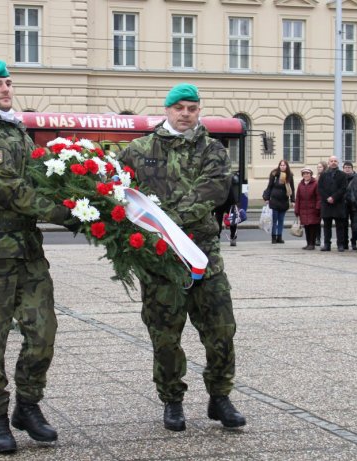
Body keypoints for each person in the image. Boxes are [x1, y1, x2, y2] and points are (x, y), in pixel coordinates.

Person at [0, 60, 75, 453]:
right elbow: (8, 191)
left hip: (25, 248)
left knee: (43, 331)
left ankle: (27, 405)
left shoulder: (16, 130)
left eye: (8, 82)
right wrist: (67, 212)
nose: (6, 88)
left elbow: (36, 177)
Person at [118, 83, 246, 433]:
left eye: (192, 107)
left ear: (199, 110)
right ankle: (172, 400)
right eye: (180, 108)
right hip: (160, 258)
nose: (186, 113)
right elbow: (119, 192)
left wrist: (166, 218)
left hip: (204, 254)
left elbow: (214, 190)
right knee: (165, 334)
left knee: (221, 329)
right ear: (168, 110)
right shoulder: (139, 150)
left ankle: (220, 397)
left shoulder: (214, 150)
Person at [318, 155, 348, 252]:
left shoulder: (343, 175)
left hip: (338, 203)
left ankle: (340, 244)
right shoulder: (323, 175)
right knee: (327, 226)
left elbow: (343, 188)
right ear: (329, 163)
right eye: (331, 161)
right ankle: (327, 244)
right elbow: (320, 189)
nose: (333, 162)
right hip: (326, 204)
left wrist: (333, 197)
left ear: (338, 163)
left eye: (335, 161)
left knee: (340, 226)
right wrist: (327, 198)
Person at [262, 159, 295, 244]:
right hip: (274, 201)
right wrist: (266, 198)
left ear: (286, 166)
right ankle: (273, 237)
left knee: (281, 220)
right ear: (279, 166)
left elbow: (292, 189)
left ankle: (279, 237)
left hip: (284, 201)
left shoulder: (289, 175)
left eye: (284, 165)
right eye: (281, 165)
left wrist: (293, 200)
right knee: (274, 220)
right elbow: (269, 186)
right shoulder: (274, 174)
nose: (282, 167)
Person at [294, 167, 321, 250]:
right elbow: (298, 198)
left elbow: (318, 197)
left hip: (313, 209)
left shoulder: (315, 183)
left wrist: (317, 208)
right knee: (306, 227)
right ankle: (308, 243)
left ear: (311, 174)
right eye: (304, 174)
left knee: (312, 227)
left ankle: (312, 244)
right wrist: (296, 209)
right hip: (303, 209)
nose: (306, 175)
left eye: (307, 173)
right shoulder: (300, 184)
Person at [213, 172, 242, 246]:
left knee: (219, 221)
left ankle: (218, 238)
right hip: (228, 203)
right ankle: (232, 238)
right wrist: (235, 204)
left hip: (222, 203)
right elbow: (233, 193)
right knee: (232, 221)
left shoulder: (215, 181)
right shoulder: (229, 179)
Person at [343, 161, 357, 250]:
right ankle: (345, 243)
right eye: (346, 167)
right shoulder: (341, 177)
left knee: (354, 225)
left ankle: (354, 242)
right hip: (343, 204)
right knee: (344, 225)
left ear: (352, 169)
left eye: (349, 167)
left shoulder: (356, 177)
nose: (347, 169)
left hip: (353, 204)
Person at [315, 160, 328, 246]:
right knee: (317, 222)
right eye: (318, 167)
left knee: (326, 222)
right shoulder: (316, 177)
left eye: (320, 167)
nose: (319, 169)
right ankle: (317, 238)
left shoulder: (326, 176)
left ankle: (326, 240)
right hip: (317, 202)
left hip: (324, 202)